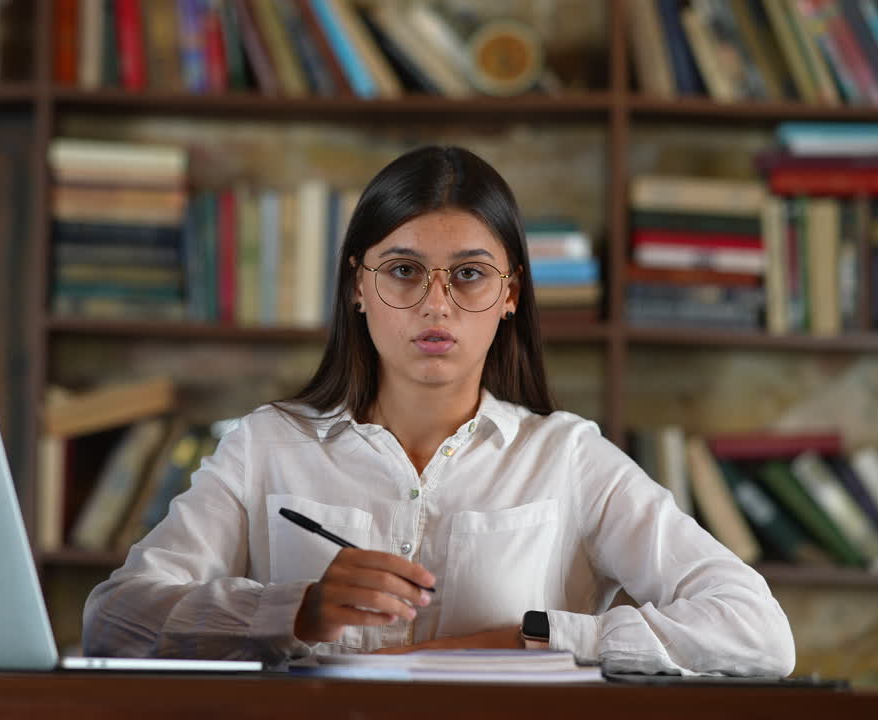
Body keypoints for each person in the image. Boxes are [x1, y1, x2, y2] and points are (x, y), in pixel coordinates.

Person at [82, 146, 796, 676]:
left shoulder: (568, 457)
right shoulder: (267, 445)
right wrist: (295, 609)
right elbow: (114, 617)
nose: (435, 303)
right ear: (357, 287)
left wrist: (542, 636)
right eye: (402, 270)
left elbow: (759, 631)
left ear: (511, 293)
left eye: (469, 275)